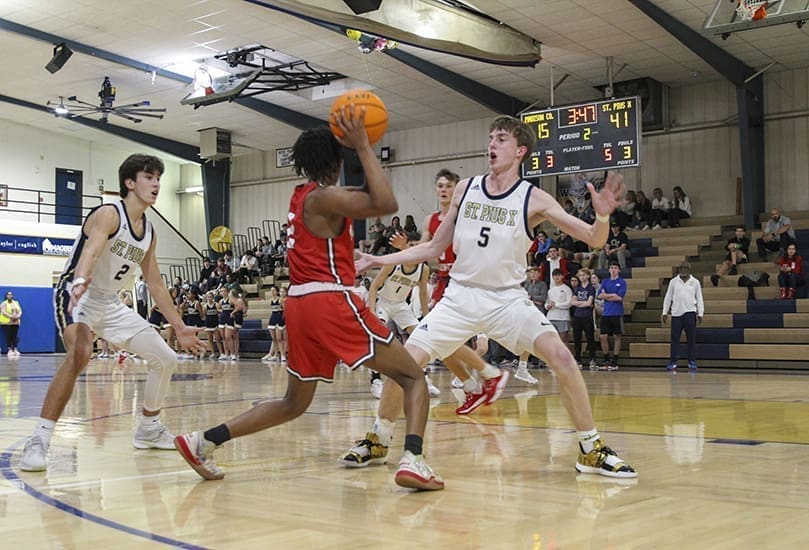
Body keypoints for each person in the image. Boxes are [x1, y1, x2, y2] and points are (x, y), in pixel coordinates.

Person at [348, 115, 636, 479]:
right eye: (490, 138)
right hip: (460, 297)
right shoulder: (465, 189)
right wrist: (377, 259)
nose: (492, 145)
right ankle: (378, 438)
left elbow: (594, 238)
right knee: (403, 363)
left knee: (563, 357)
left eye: (500, 139)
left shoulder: (534, 198)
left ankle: (590, 449)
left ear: (520, 151)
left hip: (507, 301)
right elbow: (434, 248)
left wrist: (603, 217)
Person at [173, 106, 444, 490]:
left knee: (294, 403)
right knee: (412, 376)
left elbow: (349, 214)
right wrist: (363, 146)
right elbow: (385, 204)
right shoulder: (324, 197)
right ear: (336, 162)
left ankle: (203, 441)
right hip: (328, 300)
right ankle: (414, 460)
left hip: (299, 305)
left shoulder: (301, 196)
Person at [20, 153, 206, 472]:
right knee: (80, 354)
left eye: (158, 178)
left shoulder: (149, 232)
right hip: (77, 292)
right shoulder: (109, 213)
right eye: (149, 177)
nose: (156, 184)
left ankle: (149, 429)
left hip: (111, 302)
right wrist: (81, 279)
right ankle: (39, 439)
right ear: (129, 183)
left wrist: (179, 326)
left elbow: (155, 282)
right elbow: (91, 251)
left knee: (166, 358)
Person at [366, 232, 436, 396]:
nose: (415, 249)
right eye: (412, 245)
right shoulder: (393, 263)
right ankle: (376, 380)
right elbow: (374, 287)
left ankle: (422, 377)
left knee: (422, 336)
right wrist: (372, 312)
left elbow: (423, 293)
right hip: (382, 301)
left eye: (418, 246)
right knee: (379, 338)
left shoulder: (423, 269)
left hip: (401, 305)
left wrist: (426, 317)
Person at [662, 261, 704, 371]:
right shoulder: (673, 282)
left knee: (691, 338)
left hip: (690, 313)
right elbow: (668, 297)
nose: (683, 269)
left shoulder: (695, 282)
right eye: (681, 267)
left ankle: (692, 361)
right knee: (675, 339)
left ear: (689, 269)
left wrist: (700, 313)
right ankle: (673, 361)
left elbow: (699, 298)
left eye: (685, 267)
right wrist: (665, 312)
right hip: (676, 314)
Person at [598, 261, 627, 371]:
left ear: (619, 270)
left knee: (617, 336)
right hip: (606, 313)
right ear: (609, 270)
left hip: (617, 312)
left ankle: (615, 359)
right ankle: (606, 358)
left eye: (615, 268)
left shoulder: (622, 282)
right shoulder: (605, 281)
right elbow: (600, 295)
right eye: (611, 268)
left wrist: (606, 295)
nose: (613, 270)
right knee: (603, 336)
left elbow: (619, 297)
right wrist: (612, 295)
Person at [571, 269, 597, 370]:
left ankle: (592, 359)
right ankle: (578, 359)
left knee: (590, 338)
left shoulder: (591, 288)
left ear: (588, 276)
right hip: (577, 316)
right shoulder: (577, 288)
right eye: (580, 275)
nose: (582, 277)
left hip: (587, 316)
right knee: (577, 339)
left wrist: (580, 303)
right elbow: (573, 302)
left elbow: (589, 303)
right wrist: (584, 304)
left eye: (584, 275)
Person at [1, 291, 22, 357]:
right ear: (6, 296)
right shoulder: (4, 303)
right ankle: (9, 349)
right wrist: (11, 316)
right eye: (8, 295)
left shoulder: (16, 302)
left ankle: (15, 349)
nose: (10, 296)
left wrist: (18, 316)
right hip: (7, 322)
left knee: (14, 336)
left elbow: (20, 311)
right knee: (9, 335)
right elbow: (3, 311)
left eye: (11, 294)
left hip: (16, 322)